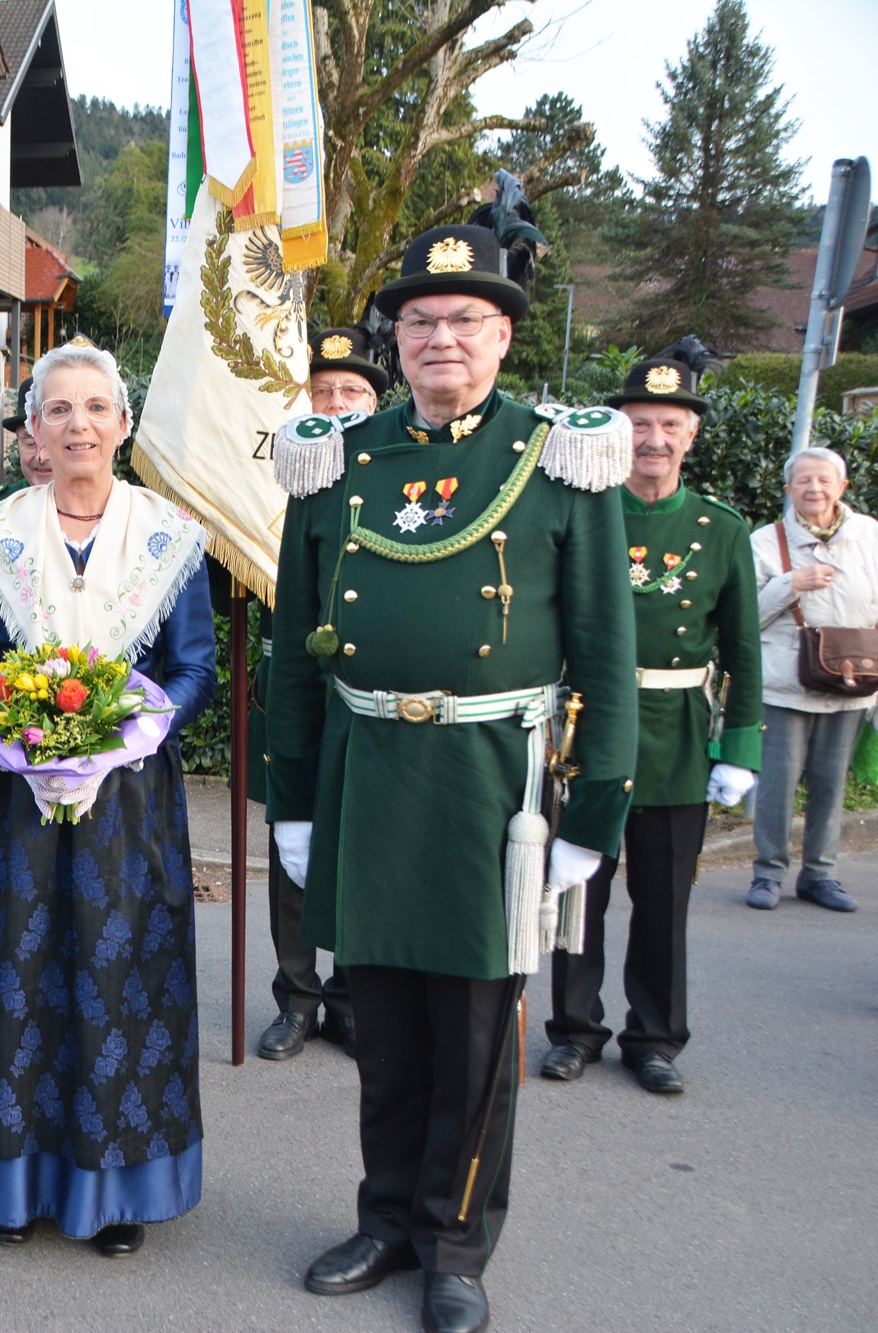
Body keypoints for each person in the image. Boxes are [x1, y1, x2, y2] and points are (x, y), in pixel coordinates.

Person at [267, 223, 637, 1333]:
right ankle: (386, 1218)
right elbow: (294, 649)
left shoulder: (557, 457)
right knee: (382, 1023)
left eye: (465, 319)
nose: (441, 339)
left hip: (491, 785)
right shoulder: (338, 457)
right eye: (420, 320)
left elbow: (605, 652)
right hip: (367, 771)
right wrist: (291, 802)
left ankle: (456, 1241)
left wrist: (594, 812)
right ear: (396, 339)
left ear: (503, 335)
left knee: (475, 1034)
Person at [0, 336, 218, 1258]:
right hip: (9, 802)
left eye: (94, 408)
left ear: (122, 424)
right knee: (10, 981)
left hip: (128, 805)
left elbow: (194, 667)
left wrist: (128, 733)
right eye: (57, 409)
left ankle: (112, 1194)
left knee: (120, 990)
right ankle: (5, 1184)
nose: (77, 424)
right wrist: (5, 734)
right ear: (33, 430)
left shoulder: (170, 537)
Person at [541, 347, 762, 1095]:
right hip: (590, 727)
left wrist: (740, 749)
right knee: (580, 888)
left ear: (692, 434)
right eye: (640, 424)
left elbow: (744, 651)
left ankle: (656, 1037)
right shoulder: (586, 510)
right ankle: (574, 1029)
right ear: (618, 431)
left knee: (665, 901)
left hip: (675, 737)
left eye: (670, 424)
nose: (654, 439)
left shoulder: (721, 528)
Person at [254, 326, 392, 1061]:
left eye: (352, 391)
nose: (336, 404)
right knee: (292, 847)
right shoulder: (276, 474)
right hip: (292, 684)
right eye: (323, 391)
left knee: (362, 848)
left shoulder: (393, 474)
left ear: (376, 402)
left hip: (364, 693)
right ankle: (298, 998)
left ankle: (351, 996)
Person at [747, 445, 878, 913]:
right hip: (786, 686)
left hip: (853, 683)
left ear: (843, 487)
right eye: (803, 480)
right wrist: (792, 583)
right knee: (777, 786)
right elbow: (745, 617)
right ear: (788, 489)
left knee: (830, 784)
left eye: (824, 480)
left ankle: (820, 876)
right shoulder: (766, 541)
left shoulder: (870, 535)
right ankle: (768, 874)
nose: (814, 488)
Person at [0, 377, 53, 515]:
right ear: (18, 443)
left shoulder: (92, 510)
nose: (41, 457)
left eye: (51, 443)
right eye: (30, 443)